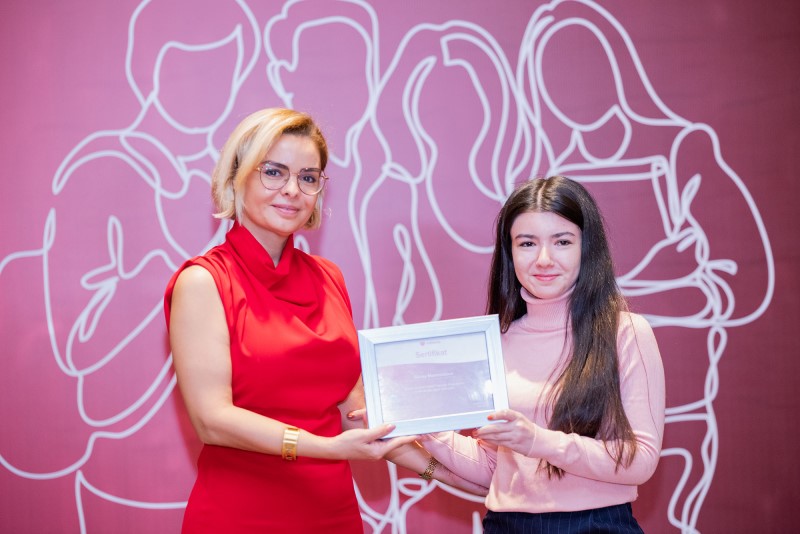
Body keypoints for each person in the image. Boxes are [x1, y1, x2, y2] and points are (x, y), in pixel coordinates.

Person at [164, 108, 480, 533]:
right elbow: (212, 421)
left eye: (308, 177)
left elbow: (358, 414)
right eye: (273, 172)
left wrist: (449, 474)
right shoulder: (203, 281)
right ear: (236, 177)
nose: (292, 190)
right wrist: (328, 448)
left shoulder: (329, 278)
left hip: (332, 513)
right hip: (240, 515)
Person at [419, 176, 666, 533]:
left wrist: (538, 441)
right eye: (527, 243)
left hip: (596, 525)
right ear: (509, 252)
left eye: (562, 242)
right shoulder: (496, 341)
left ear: (586, 247)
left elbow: (640, 459)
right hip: (505, 525)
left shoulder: (625, 332)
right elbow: (494, 468)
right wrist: (422, 428)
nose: (544, 259)